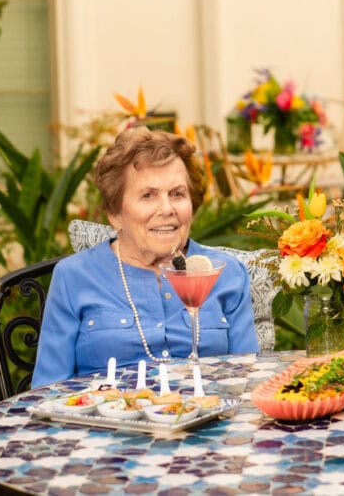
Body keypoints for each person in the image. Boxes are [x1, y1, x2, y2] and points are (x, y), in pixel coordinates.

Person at [32, 127, 259, 387]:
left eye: (177, 194)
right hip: (107, 423)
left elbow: (250, 381)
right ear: (114, 213)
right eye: (148, 195)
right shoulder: (73, 277)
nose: (166, 209)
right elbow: (47, 391)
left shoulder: (227, 273)